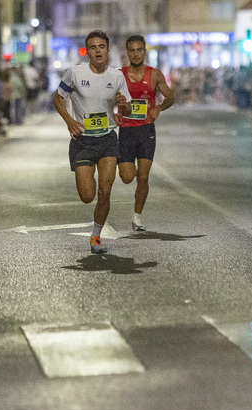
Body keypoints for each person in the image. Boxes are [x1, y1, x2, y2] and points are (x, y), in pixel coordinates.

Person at [53, 30, 130, 254]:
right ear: (88, 51)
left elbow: (125, 108)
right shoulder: (74, 74)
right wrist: (69, 121)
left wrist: (122, 107)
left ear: (107, 50)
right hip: (83, 141)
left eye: (102, 47)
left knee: (105, 192)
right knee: (88, 196)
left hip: (107, 139)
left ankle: (96, 236)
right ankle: (89, 184)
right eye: (93, 47)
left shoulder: (117, 77)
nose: (98, 50)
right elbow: (57, 98)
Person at [116, 35, 176, 232]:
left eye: (139, 50)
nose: (135, 54)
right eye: (132, 50)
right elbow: (106, 99)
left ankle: (137, 217)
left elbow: (171, 97)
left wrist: (159, 107)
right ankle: (135, 209)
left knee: (143, 177)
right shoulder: (118, 75)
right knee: (127, 177)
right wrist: (113, 114)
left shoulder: (155, 74)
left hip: (146, 131)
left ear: (144, 51)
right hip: (126, 131)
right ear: (127, 53)